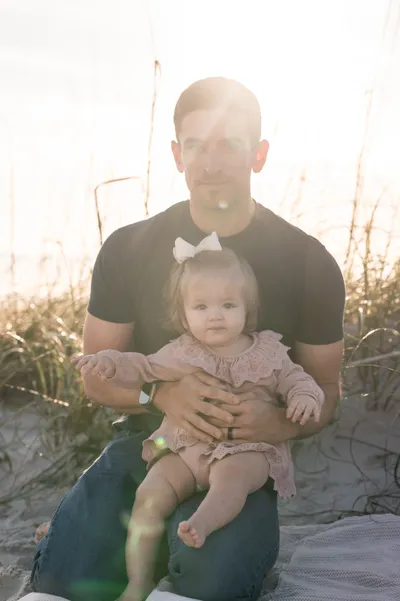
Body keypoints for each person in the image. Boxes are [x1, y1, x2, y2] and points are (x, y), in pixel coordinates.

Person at [29, 76, 345, 601]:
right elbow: (98, 378)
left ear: (259, 155)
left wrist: (279, 421)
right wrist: (160, 394)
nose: (211, 162)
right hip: (151, 448)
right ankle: (86, 527)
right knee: (64, 581)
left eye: (229, 145)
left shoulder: (309, 261)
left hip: (241, 465)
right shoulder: (128, 248)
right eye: (196, 145)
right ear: (177, 155)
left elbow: (327, 389)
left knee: (208, 583)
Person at [74, 239, 325, 601]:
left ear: (247, 308)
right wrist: (110, 361)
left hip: (245, 448)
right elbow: (141, 366)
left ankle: (201, 525)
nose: (216, 315)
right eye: (202, 306)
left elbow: (299, 380)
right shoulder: (181, 352)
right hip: (185, 447)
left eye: (227, 304)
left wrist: (303, 398)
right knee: (149, 494)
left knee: (232, 479)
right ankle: (138, 580)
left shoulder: (268, 352)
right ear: (183, 314)